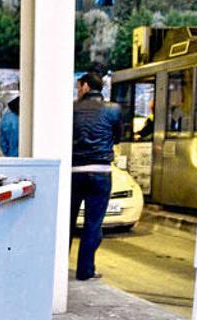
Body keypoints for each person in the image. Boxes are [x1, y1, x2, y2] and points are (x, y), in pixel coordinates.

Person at [70, 72, 123, 281]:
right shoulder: (113, 109)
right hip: (101, 172)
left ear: (84, 87)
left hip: (74, 172)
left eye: (78, 87)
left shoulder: (72, 109)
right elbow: (117, 137)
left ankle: (57, 269)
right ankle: (85, 271)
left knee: (67, 222)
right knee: (93, 224)